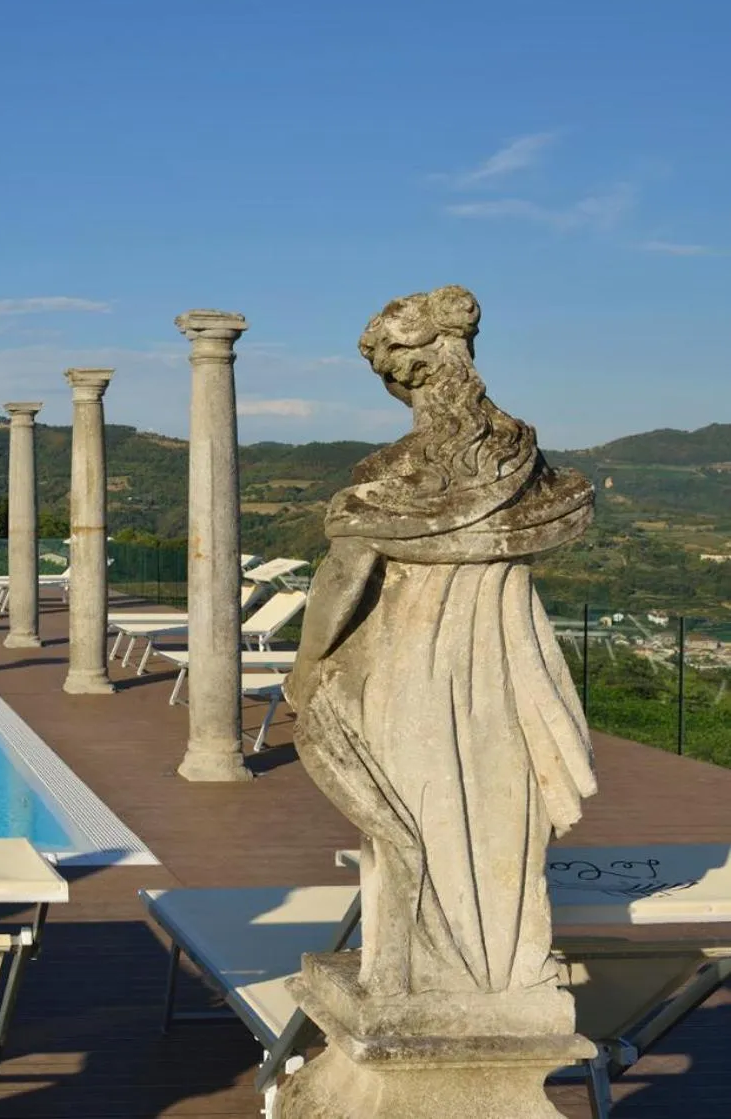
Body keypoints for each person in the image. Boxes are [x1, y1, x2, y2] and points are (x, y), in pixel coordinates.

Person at [284, 285, 595, 996]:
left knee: (411, 822)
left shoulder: (393, 477)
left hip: (411, 673)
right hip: (510, 672)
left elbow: (344, 578)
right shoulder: (525, 461)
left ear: (399, 372)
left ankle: (410, 973)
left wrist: (305, 667)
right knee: (499, 819)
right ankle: (505, 972)